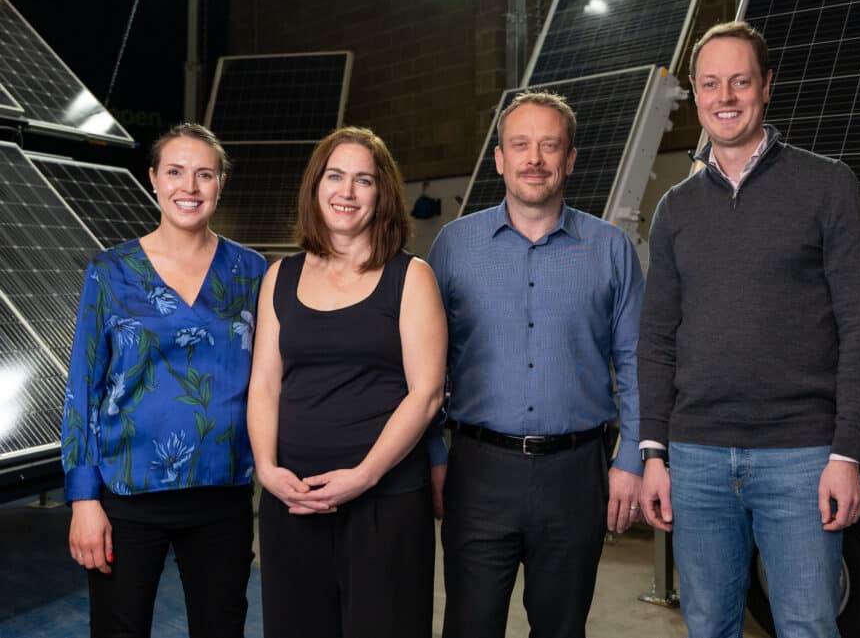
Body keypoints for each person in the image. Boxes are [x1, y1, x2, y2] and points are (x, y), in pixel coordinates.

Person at [637, 21, 860, 638]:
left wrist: (845, 453)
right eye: (711, 83)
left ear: (766, 86)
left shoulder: (828, 186)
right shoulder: (675, 208)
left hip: (802, 458)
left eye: (740, 81)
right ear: (694, 95)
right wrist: (654, 454)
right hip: (695, 459)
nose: (726, 97)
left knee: (806, 624)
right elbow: (658, 336)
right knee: (708, 624)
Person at [427, 91, 645, 638]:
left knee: (561, 628)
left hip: (576, 474)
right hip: (477, 472)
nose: (534, 159)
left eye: (550, 146)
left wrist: (633, 461)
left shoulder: (612, 249)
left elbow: (637, 361)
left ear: (570, 159)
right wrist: (432, 453)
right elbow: (425, 366)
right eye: (520, 145)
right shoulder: (453, 246)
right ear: (499, 158)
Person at [60, 123, 267, 638]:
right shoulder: (110, 271)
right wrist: (84, 500)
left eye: (204, 175)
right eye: (175, 172)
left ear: (221, 183)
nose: (189, 187)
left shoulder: (252, 272)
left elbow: (274, 378)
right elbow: (83, 388)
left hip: (223, 495)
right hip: (127, 497)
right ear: (153, 179)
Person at [247, 126, 446, 638]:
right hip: (293, 500)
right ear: (316, 186)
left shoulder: (412, 277)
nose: (347, 192)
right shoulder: (279, 277)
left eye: (363, 180)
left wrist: (363, 476)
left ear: (382, 194)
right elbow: (265, 384)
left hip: (385, 502)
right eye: (335, 176)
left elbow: (426, 395)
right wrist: (267, 470)